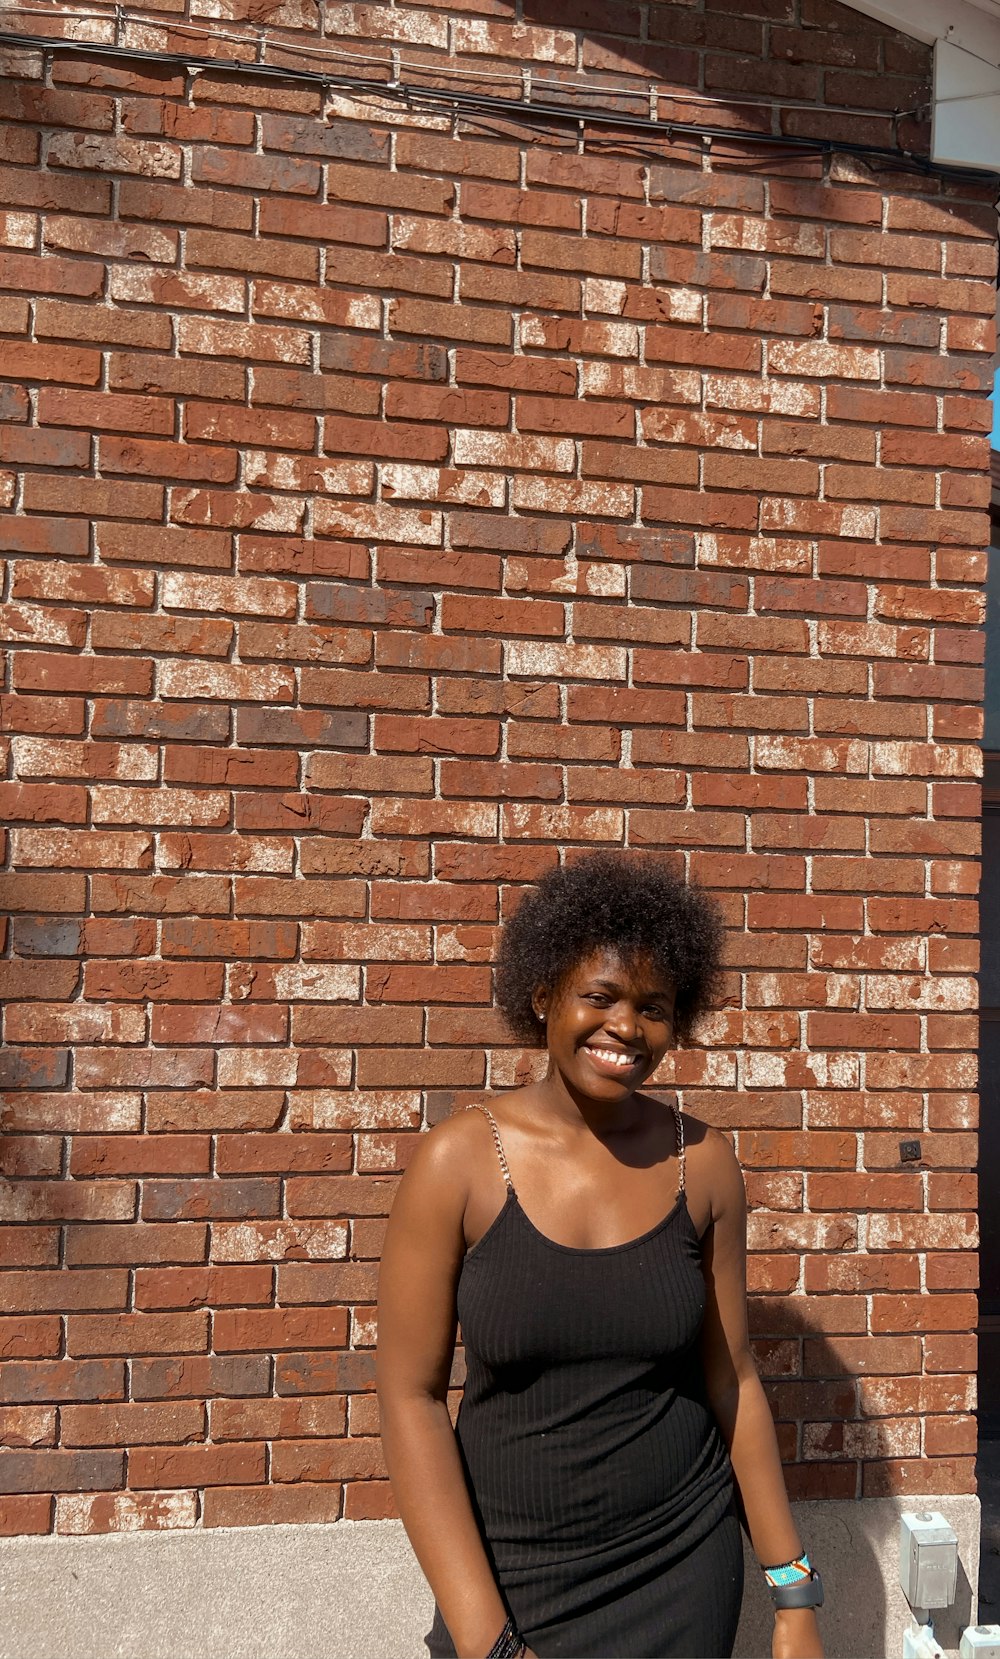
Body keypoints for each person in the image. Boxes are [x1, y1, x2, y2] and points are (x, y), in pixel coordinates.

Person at [376, 852, 824, 1659]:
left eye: (654, 1006)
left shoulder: (704, 1163)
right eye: (601, 995)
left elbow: (734, 1377)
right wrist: (489, 1640)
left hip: (679, 1568)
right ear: (542, 995)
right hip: (508, 1581)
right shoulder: (458, 1163)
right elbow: (409, 1399)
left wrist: (793, 1594)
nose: (627, 1025)